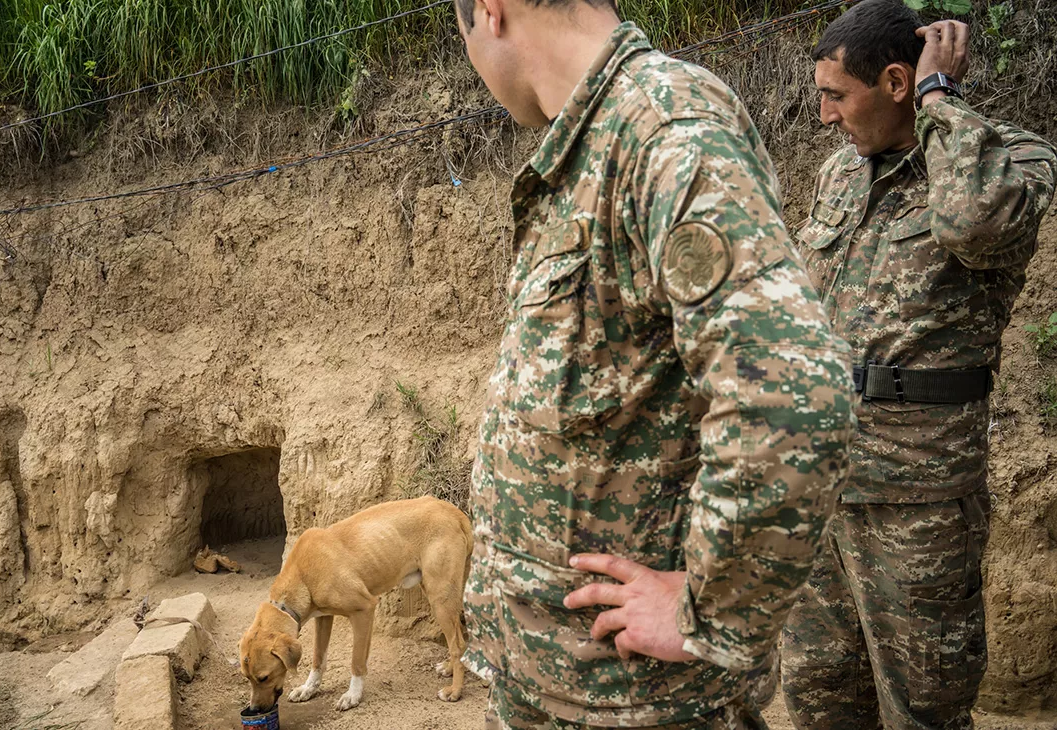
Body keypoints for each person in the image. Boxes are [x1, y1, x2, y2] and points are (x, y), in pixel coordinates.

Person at [453, 0, 855, 727]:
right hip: (558, 680)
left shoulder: (665, 129)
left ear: (490, 11)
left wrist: (710, 610)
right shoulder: (596, 140)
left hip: (638, 699)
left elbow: (793, 396)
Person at [781, 2, 1057, 729]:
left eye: (836, 95)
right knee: (818, 701)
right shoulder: (841, 174)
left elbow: (975, 224)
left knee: (923, 712)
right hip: (821, 485)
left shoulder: (1009, 158)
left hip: (921, 499)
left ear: (899, 80)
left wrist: (942, 99)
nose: (824, 116)